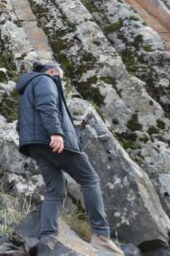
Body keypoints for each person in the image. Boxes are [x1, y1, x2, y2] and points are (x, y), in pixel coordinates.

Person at [16, 61, 124, 255]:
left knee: (55, 189)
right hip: (51, 139)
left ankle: (47, 237)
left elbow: (23, 119)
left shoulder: (26, 87)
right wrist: (56, 133)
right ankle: (100, 235)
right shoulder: (45, 80)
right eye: (60, 78)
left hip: (34, 144)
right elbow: (47, 105)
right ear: (51, 71)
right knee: (89, 180)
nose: (60, 82)